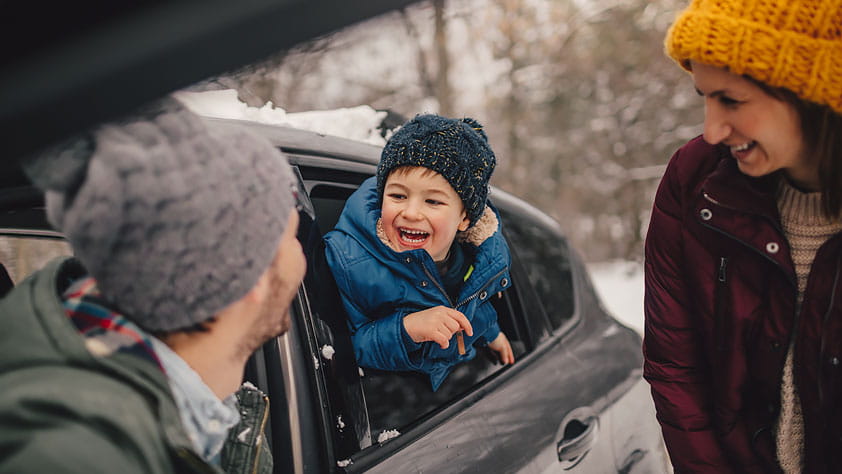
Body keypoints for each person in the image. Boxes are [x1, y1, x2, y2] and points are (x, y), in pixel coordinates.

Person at [0, 98, 305, 473]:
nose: (303, 256)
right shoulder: (76, 459)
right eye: (293, 235)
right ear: (253, 276)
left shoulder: (191, 417)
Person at [643, 0, 842, 472]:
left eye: (732, 100)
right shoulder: (696, 182)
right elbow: (676, 366)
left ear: (814, 92)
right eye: (704, 98)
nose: (712, 131)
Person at [324, 114, 514, 391]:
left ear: (464, 219)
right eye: (398, 196)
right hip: (390, 403)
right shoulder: (348, 263)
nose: (411, 212)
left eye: (433, 201)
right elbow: (337, 350)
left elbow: (474, 306)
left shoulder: (474, 260)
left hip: (457, 387)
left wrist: (492, 334)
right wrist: (406, 329)